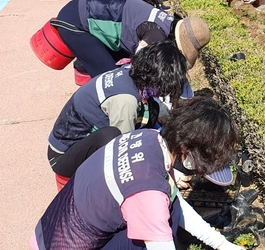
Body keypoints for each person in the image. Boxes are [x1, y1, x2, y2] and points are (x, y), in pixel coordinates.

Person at [32, 97, 245, 250]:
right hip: (64, 243)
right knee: (163, 224)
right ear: (185, 153)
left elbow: (176, 201)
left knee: (167, 210)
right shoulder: (149, 193)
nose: (195, 175)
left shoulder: (148, 137)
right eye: (200, 168)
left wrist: (222, 245)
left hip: (47, 232)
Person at [47, 40, 193, 187]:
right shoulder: (125, 101)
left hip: (85, 143)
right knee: (112, 136)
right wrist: (169, 174)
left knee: (152, 109)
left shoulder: (131, 71)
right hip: (64, 156)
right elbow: (125, 152)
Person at [53, 0, 210, 84]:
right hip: (77, 21)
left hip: (78, 9)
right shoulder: (156, 35)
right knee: (112, 81)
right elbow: (139, 67)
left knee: (114, 69)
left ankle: (85, 67)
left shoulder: (165, 22)